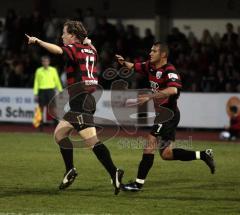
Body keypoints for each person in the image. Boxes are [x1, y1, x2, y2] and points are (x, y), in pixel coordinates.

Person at [26, 20, 124, 195]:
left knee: (91, 142)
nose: (62, 36)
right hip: (85, 99)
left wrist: (38, 41)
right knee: (59, 135)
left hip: (81, 100)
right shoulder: (92, 50)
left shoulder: (74, 48)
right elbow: (89, 45)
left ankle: (114, 172)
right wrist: (89, 42)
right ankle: (70, 169)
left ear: (72, 35)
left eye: (64, 33)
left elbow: (57, 50)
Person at [115, 42, 215, 192]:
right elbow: (134, 66)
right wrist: (123, 63)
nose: (150, 53)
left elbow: (173, 89)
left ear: (163, 55)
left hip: (168, 114)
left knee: (149, 145)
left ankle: (138, 184)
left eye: (154, 51)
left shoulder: (170, 70)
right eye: (150, 50)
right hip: (163, 115)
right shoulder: (149, 66)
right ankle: (203, 155)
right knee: (167, 154)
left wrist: (150, 96)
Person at [33, 56, 63, 130]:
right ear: (42, 62)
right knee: (41, 109)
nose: (45, 63)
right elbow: (36, 82)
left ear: (49, 62)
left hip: (50, 90)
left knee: (53, 108)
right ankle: (40, 125)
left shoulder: (53, 70)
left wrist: (60, 90)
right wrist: (35, 93)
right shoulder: (39, 70)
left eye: (46, 61)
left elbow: (57, 80)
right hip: (41, 91)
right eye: (43, 61)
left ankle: (56, 125)